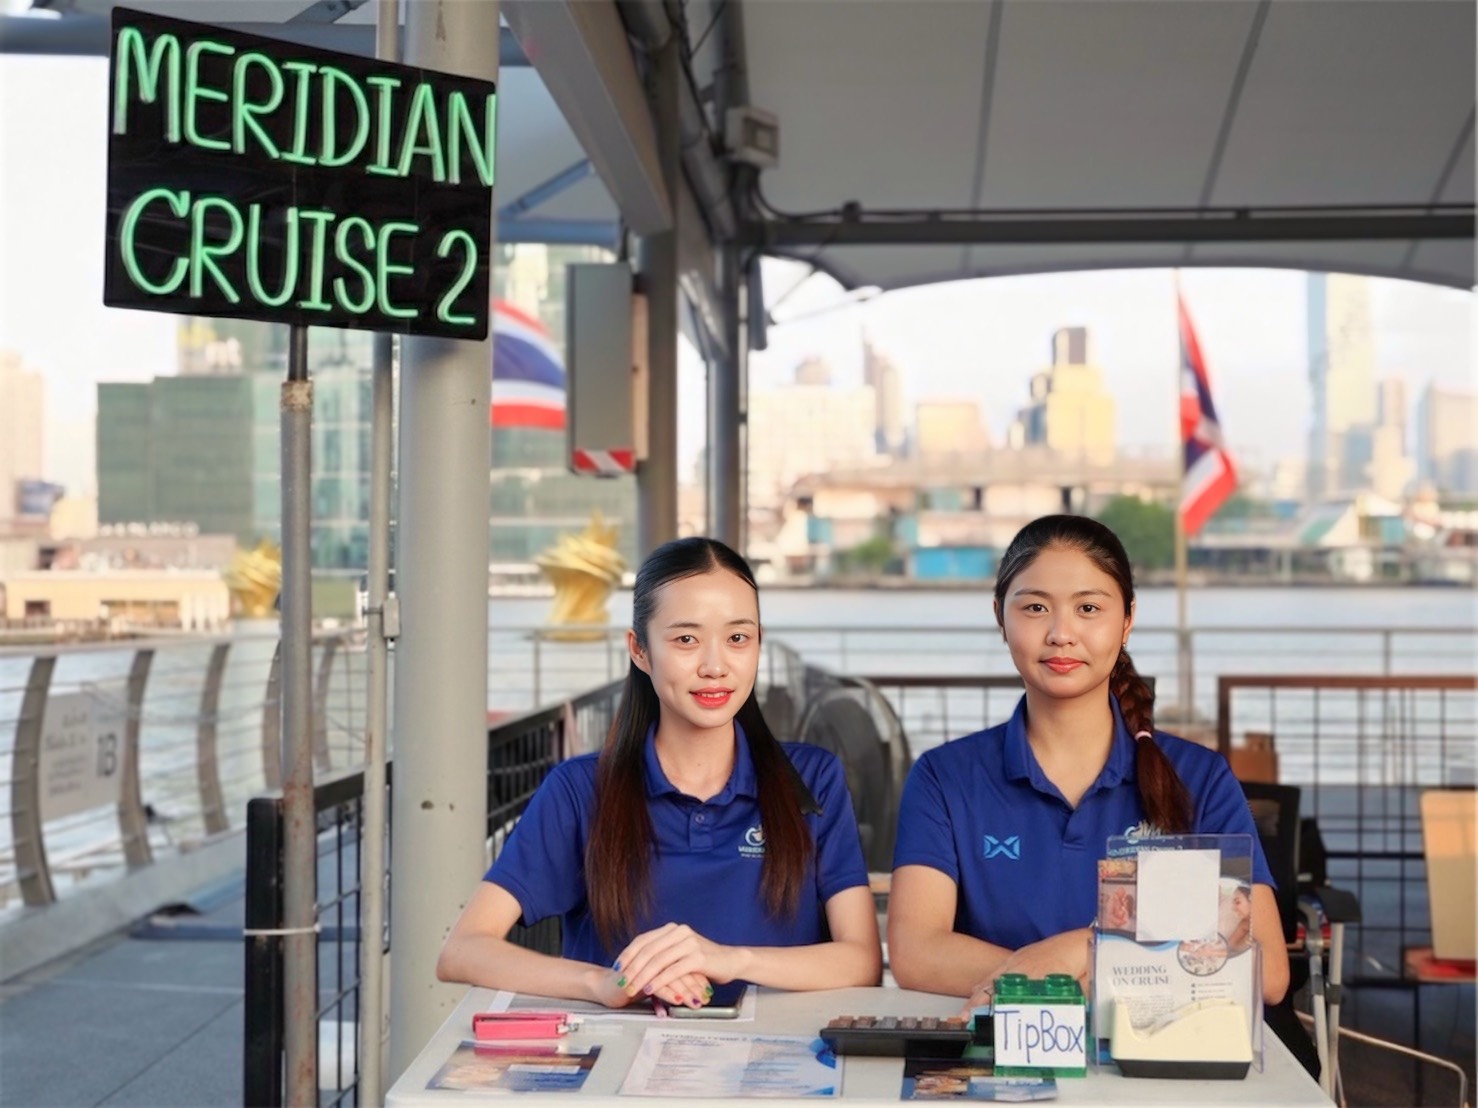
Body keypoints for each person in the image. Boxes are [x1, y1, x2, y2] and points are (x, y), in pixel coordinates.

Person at [438, 537, 882, 1009]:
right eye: (686, 639)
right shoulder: (579, 790)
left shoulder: (812, 779)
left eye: (737, 638)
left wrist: (729, 959)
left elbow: (862, 961)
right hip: (625, 1053)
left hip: (779, 1054)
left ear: (758, 643)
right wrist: (603, 983)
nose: (715, 666)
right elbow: (463, 951)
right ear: (640, 650)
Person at [887, 514, 1289, 1013]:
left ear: (1127, 620)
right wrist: (1091, 974)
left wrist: (1082, 948)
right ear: (1000, 617)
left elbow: (1267, 971)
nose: (1061, 633)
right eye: (1035, 607)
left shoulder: (1201, 778)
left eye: (1088, 608)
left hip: (1155, 1055)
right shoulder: (944, 777)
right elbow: (916, 953)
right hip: (998, 1051)